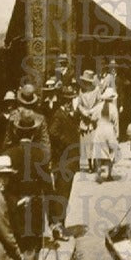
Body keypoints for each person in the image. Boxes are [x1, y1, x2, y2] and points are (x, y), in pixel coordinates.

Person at [5, 109, 51, 260]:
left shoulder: (8, 154)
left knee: (14, 255)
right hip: (34, 209)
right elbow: (48, 185)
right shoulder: (41, 153)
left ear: (16, 131)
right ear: (33, 132)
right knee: (31, 255)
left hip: (14, 209)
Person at [47, 84, 80, 239]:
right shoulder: (58, 115)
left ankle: (61, 225)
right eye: (69, 100)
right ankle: (58, 227)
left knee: (64, 195)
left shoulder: (68, 114)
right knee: (61, 195)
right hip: (63, 163)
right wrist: (65, 143)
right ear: (65, 101)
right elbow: (53, 133)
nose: (71, 102)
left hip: (69, 162)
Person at [75, 70, 102, 172]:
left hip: (93, 120)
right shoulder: (81, 91)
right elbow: (79, 104)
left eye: (87, 81)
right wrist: (84, 112)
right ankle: (89, 163)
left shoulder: (96, 90)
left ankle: (94, 162)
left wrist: (92, 111)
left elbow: (100, 103)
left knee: (93, 142)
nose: (86, 83)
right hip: (84, 120)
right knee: (86, 143)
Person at [93, 88, 120, 183]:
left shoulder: (98, 106)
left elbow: (93, 116)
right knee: (111, 151)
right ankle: (109, 174)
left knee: (99, 151)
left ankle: (99, 168)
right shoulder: (113, 108)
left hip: (100, 128)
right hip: (109, 129)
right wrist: (117, 134)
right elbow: (116, 122)